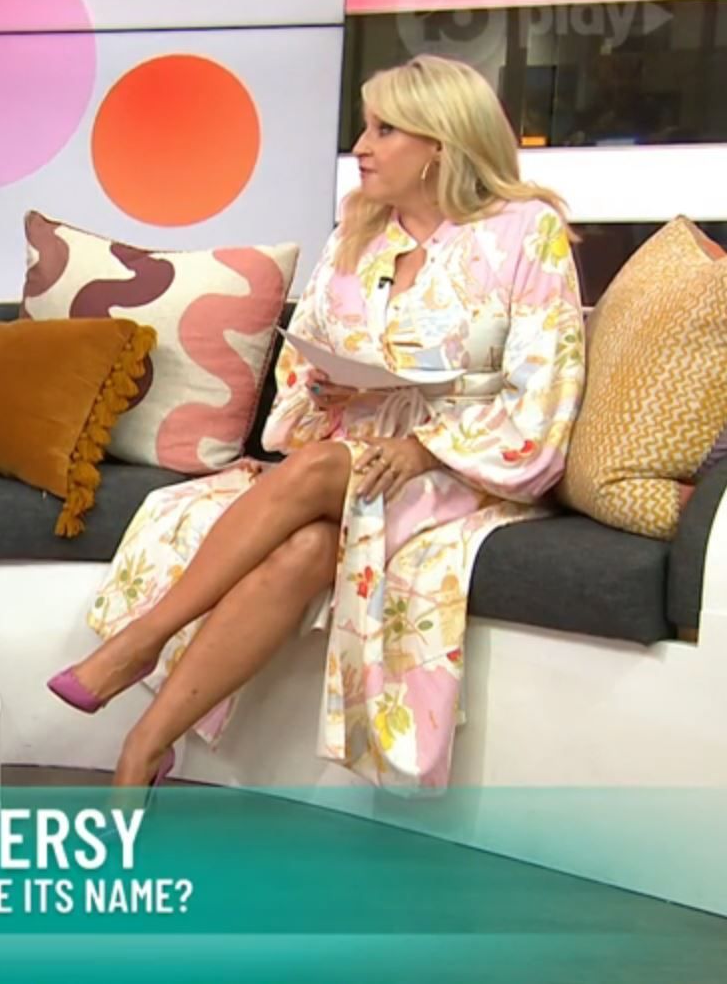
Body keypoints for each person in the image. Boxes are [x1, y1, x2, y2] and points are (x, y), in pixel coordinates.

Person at [47, 54, 587, 791]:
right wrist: (328, 391)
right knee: (305, 546)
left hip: (462, 465)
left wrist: (424, 448)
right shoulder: (359, 233)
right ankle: (143, 749)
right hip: (350, 450)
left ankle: (143, 638)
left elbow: (534, 382)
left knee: (328, 468)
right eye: (365, 127)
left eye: (384, 130)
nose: (360, 147)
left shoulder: (523, 233)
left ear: (440, 143)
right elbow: (303, 367)